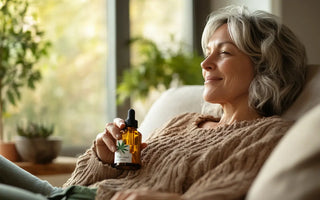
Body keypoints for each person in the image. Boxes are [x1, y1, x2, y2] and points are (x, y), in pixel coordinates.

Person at [0, 5, 306, 200]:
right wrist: (105, 158)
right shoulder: (181, 122)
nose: (205, 63)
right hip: (63, 195)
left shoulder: (269, 135)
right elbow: (75, 184)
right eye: (207, 51)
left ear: (265, 66)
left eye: (224, 53)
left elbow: (221, 193)